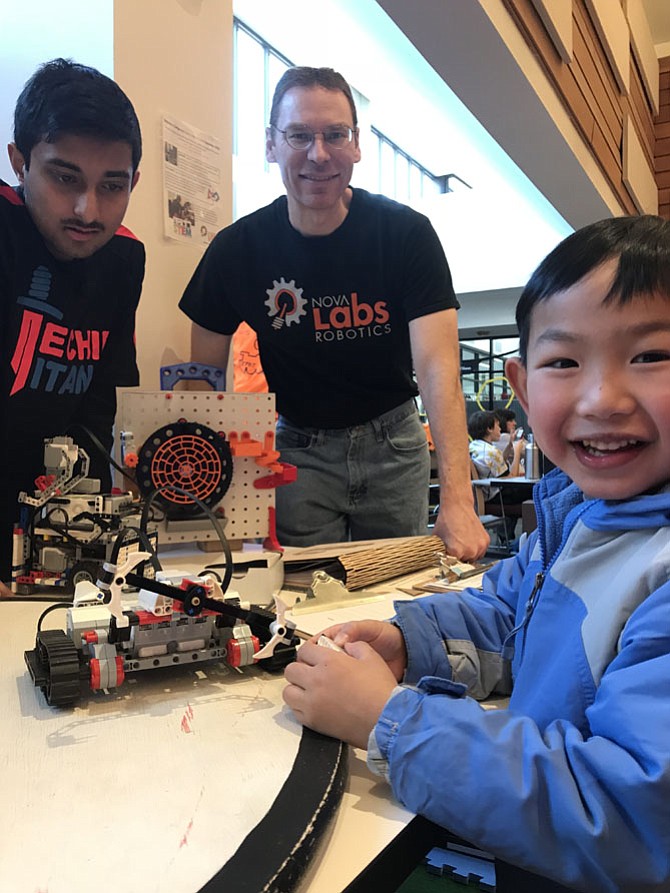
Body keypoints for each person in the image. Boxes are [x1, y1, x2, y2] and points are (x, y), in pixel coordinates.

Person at [283, 215, 670, 892]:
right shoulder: (577, 514)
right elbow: (507, 615)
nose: (602, 397)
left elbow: (629, 815)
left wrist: (389, 721)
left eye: (650, 356)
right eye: (564, 361)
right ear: (522, 388)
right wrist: (412, 642)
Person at [179, 66, 487, 561]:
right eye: (299, 135)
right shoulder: (236, 250)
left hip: (396, 445)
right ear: (271, 144)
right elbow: (203, 386)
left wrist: (458, 497)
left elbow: (438, 369)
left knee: (395, 602)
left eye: (335, 135)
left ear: (357, 144)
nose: (318, 155)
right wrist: (207, 492)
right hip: (297, 449)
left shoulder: (406, 234)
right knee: (305, 600)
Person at [0, 59, 144, 595]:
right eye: (65, 178)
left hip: (57, 528)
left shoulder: (124, 257)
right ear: (19, 162)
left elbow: (101, 404)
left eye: (112, 185)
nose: (89, 209)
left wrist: (102, 530)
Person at [468, 409, 526, 540]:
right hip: (496, 496)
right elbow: (511, 478)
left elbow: (498, 468)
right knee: (537, 491)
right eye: (498, 425)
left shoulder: (474, 446)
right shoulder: (491, 452)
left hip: (483, 495)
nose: (500, 428)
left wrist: (510, 446)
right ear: (489, 428)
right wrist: (517, 452)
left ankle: (508, 537)